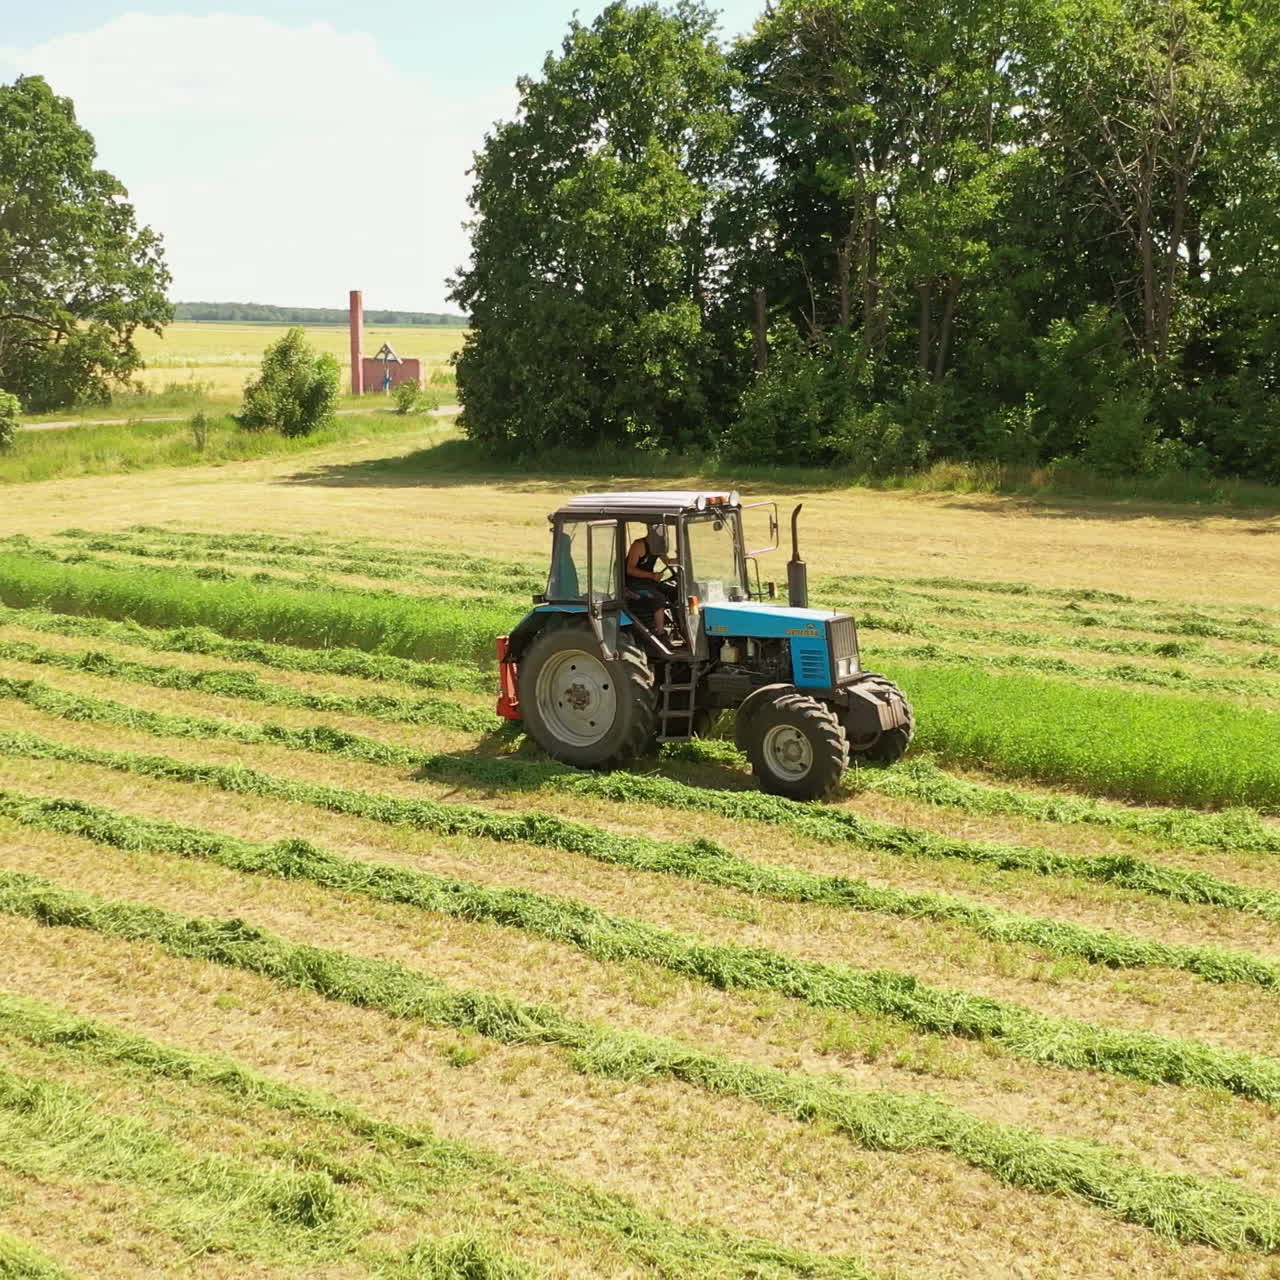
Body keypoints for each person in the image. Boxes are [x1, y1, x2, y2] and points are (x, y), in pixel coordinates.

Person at [626, 523, 673, 631]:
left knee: (673, 590)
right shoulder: (638, 545)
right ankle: (660, 632)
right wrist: (651, 575)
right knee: (659, 599)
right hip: (634, 585)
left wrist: (680, 557)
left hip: (649, 583)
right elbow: (630, 569)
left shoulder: (657, 545)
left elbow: (668, 562)